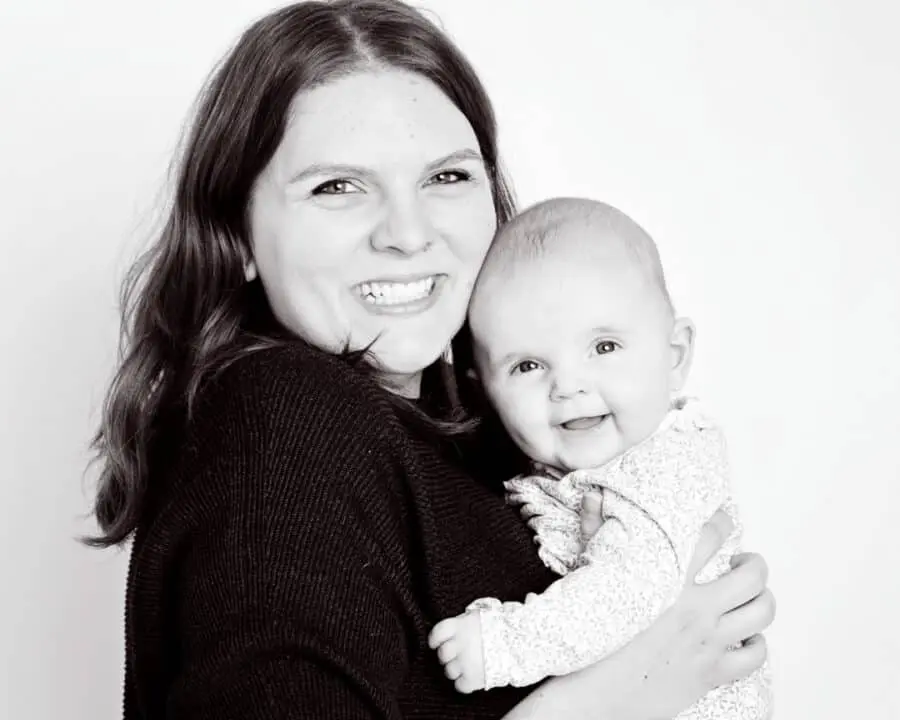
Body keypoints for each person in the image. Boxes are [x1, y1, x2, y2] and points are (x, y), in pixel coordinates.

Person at [85, 2, 775, 718]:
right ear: (239, 233)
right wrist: (619, 691)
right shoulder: (286, 421)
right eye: (337, 186)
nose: (409, 234)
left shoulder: (486, 423)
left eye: (446, 177)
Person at [428, 198, 772, 718]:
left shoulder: (669, 465)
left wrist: (503, 645)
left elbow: (625, 592)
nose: (568, 385)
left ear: (673, 356)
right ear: (486, 392)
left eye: (604, 347)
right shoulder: (552, 469)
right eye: (527, 365)